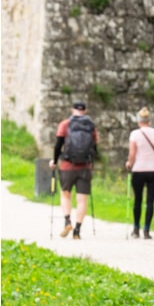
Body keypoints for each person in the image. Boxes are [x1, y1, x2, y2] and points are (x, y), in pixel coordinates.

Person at [50, 100, 98, 240]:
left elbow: (58, 145)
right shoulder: (91, 126)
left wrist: (54, 161)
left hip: (67, 166)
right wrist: (91, 162)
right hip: (85, 167)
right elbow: (95, 148)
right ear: (85, 111)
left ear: (72, 110)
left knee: (66, 195)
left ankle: (67, 222)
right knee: (82, 200)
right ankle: (77, 231)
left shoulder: (65, 124)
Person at [126, 107, 154, 239]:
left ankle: (136, 229)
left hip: (138, 170)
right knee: (150, 201)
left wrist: (129, 163)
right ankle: (147, 230)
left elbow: (132, 153)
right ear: (150, 120)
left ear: (139, 120)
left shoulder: (135, 134)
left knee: (137, 200)